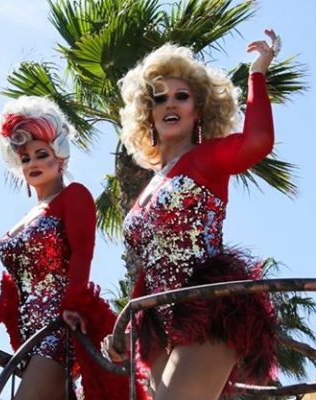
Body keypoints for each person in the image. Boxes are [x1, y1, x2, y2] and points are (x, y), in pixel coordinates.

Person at [103, 30, 280, 400]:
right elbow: (148, 264)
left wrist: (257, 74)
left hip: (208, 307)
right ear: (148, 113)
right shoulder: (151, 186)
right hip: (159, 323)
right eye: (159, 98)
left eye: (181, 97)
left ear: (197, 111)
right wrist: (129, 328)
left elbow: (258, 141)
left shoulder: (207, 156)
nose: (170, 104)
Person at [0, 96, 146, 400]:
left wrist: (71, 306)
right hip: (28, 339)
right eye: (25, 158)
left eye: (41, 154)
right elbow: (11, 290)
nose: (33, 163)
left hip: (58, 331)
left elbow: (82, 254)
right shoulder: (26, 219)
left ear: (60, 157)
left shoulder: (73, 196)